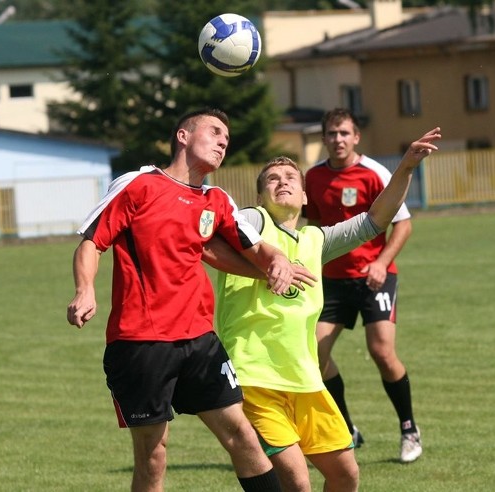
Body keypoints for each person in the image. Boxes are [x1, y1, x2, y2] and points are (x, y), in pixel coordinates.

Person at [66, 108, 317, 492]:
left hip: (200, 340)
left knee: (244, 438)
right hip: (141, 342)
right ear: (183, 136)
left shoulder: (216, 200)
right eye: (215, 132)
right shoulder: (139, 184)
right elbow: (92, 241)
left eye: (226, 139)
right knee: (154, 456)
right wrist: (85, 289)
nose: (223, 142)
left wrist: (278, 261)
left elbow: (256, 248)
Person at [203, 127, 440, 490]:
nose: (281, 182)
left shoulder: (316, 240)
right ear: (260, 194)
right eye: (272, 179)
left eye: (290, 178)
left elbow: (376, 219)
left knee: (346, 475)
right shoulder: (251, 221)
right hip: (256, 378)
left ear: (303, 195)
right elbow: (205, 245)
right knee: (298, 481)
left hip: (306, 381)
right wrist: (266, 267)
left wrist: (405, 168)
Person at [303, 107, 424, 463]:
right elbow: (312, 229)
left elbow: (403, 225)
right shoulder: (313, 177)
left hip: (375, 278)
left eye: (344, 133)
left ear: (356, 137)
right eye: (331, 133)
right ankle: (347, 430)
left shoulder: (375, 172)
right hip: (332, 282)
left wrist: (381, 262)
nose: (337, 140)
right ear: (323, 138)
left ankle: (409, 430)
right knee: (315, 354)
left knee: (382, 352)